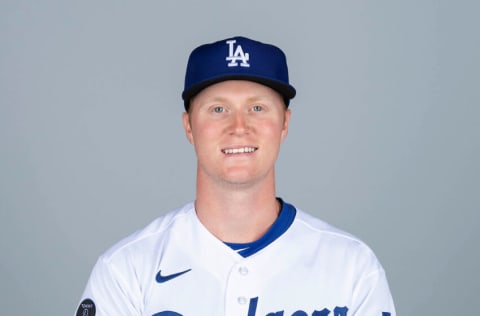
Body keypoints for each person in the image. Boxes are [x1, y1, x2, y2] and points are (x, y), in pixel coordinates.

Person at [75, 36, 396, 316]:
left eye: (257, 108)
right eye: (218, 109)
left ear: (285, 123)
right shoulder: (126, 270)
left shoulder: (351, 267)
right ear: (189, 126)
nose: (239, 127)